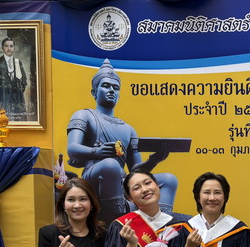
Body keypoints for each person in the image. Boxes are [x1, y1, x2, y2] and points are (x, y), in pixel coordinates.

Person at [66, 59, 177, 224]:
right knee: (111, 165)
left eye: (115, 88)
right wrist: (96, 152)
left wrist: (153, 160)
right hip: (95, 174)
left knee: (168, 179)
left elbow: (135, 171)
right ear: (94, 92)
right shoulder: (84, 115)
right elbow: (72, 149)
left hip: (122, 178)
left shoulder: (128, 129)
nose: (111, 90)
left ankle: (158, 224)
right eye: (106, 86)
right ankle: (116, 220)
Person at [0, 37, 28, 121]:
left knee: (19, 122)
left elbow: (23, 81)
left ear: (14, 48)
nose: (9, 48)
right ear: (2, 48)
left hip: (17, 101)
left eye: (11, 46)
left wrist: (16, 92)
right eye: (6, 46)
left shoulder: (18, 62)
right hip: (2, 99)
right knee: (3, 121)